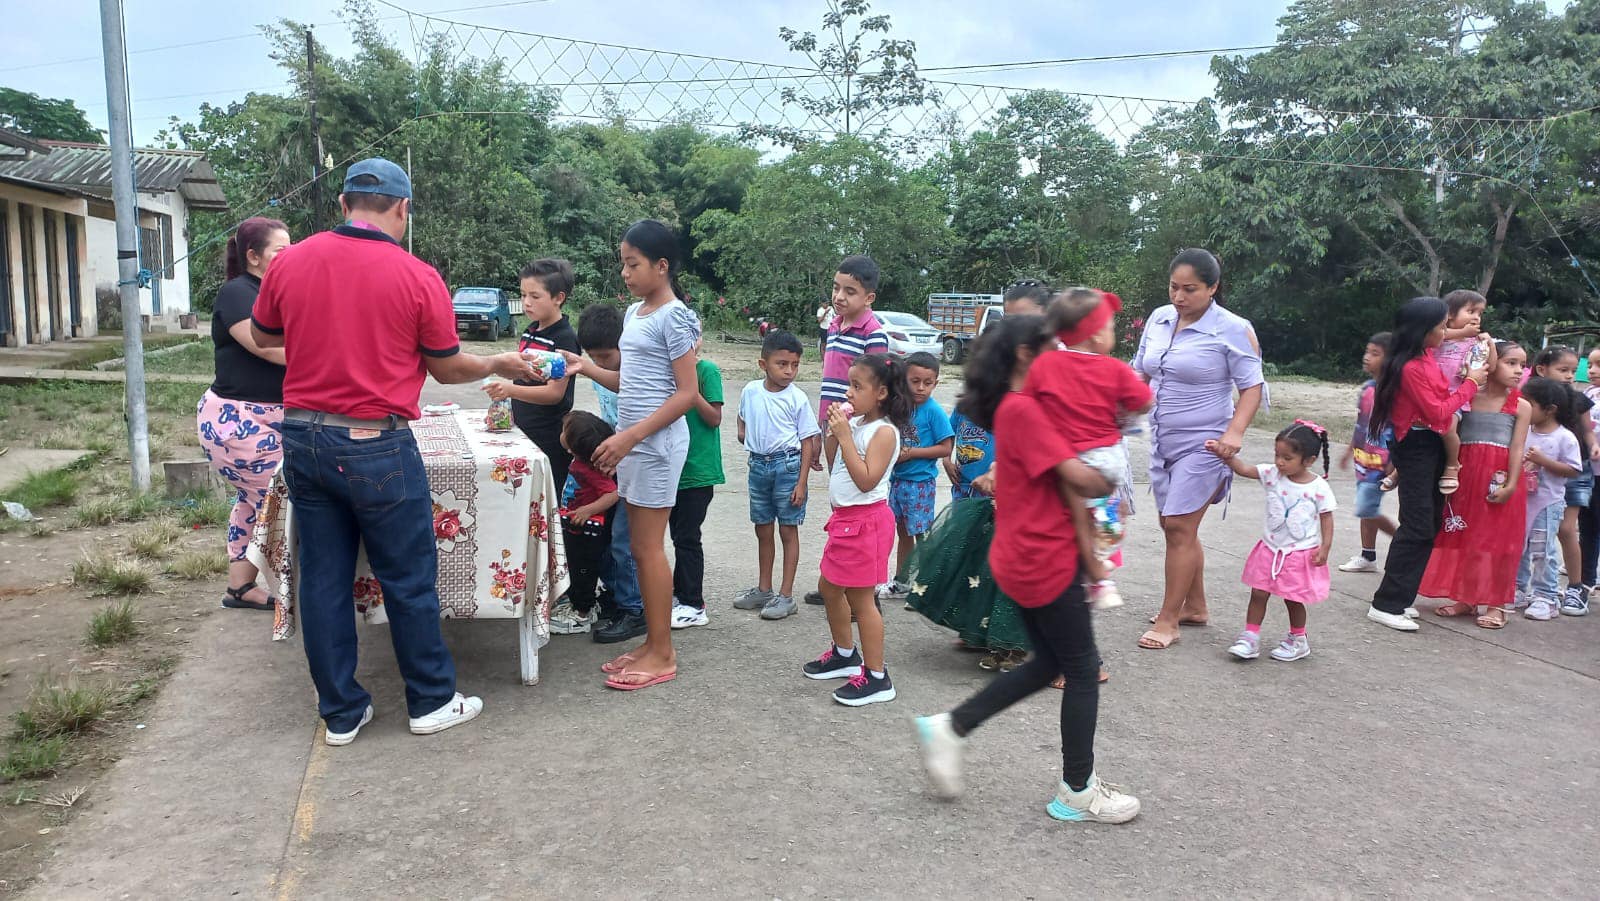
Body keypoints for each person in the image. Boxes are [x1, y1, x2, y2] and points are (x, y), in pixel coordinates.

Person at [251, 158, 538, 744]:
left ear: (342, 203)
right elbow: (446, 367)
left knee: (323, 576)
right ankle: (430, 700)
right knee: (407, 576)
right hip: (374, 442)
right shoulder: (417, 275)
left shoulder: (291, 262)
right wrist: (497, 362)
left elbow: (262, 335)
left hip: (304, 435)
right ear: (403, 208)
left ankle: (341, 713)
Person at [911, 330, 1139, 825]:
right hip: (1044, 557)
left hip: (1029, 553)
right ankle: (1077, 790)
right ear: (1024, 354)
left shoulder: (1016, 407)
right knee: (1081, 669)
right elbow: (1082, 479)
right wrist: (1109, 461)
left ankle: (952, 727)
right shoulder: (1025, 411)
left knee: (1049, 663)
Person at [567, 220, 702, 691]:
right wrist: (586, 368)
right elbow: (633, 383)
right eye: (623, 264)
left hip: (656, 446)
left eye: (633, 264)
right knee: (642, 552)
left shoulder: (674, 317)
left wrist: (630, 437)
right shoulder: (635, 312)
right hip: (637, 443)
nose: (625, 273)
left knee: (647, 549)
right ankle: (652, 643)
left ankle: (663, 653)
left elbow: (686, 394)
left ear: (661, 266)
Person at [1131, 249, 1266, 649]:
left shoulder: (1232, 328)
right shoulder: (1159, 318)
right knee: (1174, 526)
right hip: (1163, 439)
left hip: (1207, 442)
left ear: (1212, 288)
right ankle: (1195, 606)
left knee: (1178, 526)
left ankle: (1168, 621)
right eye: (1174, 287)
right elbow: (1140, 370)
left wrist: (1234, 434)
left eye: (1190, 289)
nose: (1179, 297)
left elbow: (1252, 387)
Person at [1364, 297, 1488, 632]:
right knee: (1417, 525)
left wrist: (1466, 339)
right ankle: (1386, 604)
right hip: (1416, 445)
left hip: (1431, 443)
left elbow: (1439, 401)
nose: (1445, 332)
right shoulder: (1411, 367)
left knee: (1429, 523)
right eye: (1441, 326)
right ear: (1424, 331)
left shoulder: (1425, 354)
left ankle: (1401, 598)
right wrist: (1472, 383)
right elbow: (1437, 412)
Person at [1028, 288, 1153, 611]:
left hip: (1065, 460)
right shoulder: (1115, 369)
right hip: (1106, 460)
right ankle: (1100, 566)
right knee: (1108, 511)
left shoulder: (1045, 365)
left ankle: (1092, 575)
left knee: (1075, 518)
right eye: (1111, 327)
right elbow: (1144, 401)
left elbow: (1028, 404)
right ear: (1097, 335)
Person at [802, 353, 910, 707]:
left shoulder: (884, 432)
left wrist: (846, 437)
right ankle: (845, 654)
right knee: (829, 588)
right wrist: (835, 434)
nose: (848, 392)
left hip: (866, 524)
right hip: (846, 522)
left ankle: (877, 677)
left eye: (856, 386)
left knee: (862, 601)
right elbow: (837, 463)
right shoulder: (860, 424)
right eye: (849, 384)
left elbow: (866, 480)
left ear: (881, 393)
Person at [198, 216, 290, 612]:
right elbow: (264, 346)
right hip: (239, 423)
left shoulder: (275, 293)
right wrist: (329, 357)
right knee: (283, 502)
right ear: (253, 256)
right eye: (280, 251)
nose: (290, 258)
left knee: (254, 503)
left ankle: (240, 588)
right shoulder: (238, 292)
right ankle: (303, 591)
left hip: (268, 420)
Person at [548, 303, 646, 642]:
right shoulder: (600, 374)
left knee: (625, 544)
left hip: (636, 465)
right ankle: (618, 598)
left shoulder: (636, 371)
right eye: (594, 357)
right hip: (614, 462)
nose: (600, 364)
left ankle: (634, 609)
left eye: (605, 356)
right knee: (611, 545)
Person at [1418, 342, 1529, 629]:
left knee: (1497, 542)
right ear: (1490, 362)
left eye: (1522, 364)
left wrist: (1511, 484)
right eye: (1511, 363)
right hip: (1467, 476)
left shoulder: (1521, 405)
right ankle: (1466, 598)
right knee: (1467, 537)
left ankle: (1496, 605)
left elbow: (1517, 448)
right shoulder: (1468, 398)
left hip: (1497, 478)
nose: (1519, 370)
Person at [803, 255, 889, 605]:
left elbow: (876, 387)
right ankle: (836, 579)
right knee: (839, 499)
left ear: (869, 297)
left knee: (858, 502)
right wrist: (824, 427)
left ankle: (865, 590)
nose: (839, 296)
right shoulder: (835, 325)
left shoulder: (873, 332)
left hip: (853, 428)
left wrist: (846, 424)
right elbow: (830, 384)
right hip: (833, 424)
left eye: (850, 291)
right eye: (836, 288)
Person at [1210, 423, 1336, 662]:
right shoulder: (1272, 474)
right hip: (1270, 548)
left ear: (1309, 460)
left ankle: (1298, 639)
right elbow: (1244, 469)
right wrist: (1224, 455)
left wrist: (1325, 547)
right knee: (1258, 592)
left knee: (1293, 598)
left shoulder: (1318, 487)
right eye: (1277, 455)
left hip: (1299, 553)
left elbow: (1326, 517)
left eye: (1287, 458)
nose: (1279, 462)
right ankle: (1250, 637)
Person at [733, 330, 821, 620]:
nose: (789, 371)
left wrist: (802, 482)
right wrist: (745, 435)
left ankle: (786, 595)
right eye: (782, 364)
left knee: (787, 529)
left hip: (788, 467)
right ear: (763, 364)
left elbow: (807, 441)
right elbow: (742, 418)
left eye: (795, 365)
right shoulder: (750, 391)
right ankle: (764, 589)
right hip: (758, 466)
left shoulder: (797, 398)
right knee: (762, 527)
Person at [484, 259, 580, 494]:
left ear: (559, 298)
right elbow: (521, 376)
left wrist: (510, 390)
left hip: (548, 437)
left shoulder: (564, 339)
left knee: (544, 497)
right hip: (522, 429)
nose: (526, 302)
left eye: (535, 296)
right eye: (523, 294)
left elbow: (554, 393)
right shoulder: (530, 331)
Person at [1526, 346, 1598, 616]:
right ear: (1542, 369)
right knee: (1534, 532)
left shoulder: (1578, 399)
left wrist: (1593, 445)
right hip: (1541, 474)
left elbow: (1587, 429)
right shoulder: (1532, 398)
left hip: (1575, 469)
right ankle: (1531, 587)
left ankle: (1577, 587)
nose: (1569, 375)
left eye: (1572, 370)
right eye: (1563, 370)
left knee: (1566, 530)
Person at [883, 351, 954, 599]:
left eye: (928, 383)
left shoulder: (933, 411)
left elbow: (946, 448)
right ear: (904, 379)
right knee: (903, 532)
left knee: (922, 535)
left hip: (920, 484)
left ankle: (927, 585)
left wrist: (912, 453)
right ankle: (902, 582)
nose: (921, 388)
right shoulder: (900, 406)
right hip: (898, 481)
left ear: (936, 383)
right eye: (915, 381)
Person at [1518, 377, 1585, 621]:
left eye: (1529, 403)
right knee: (1518, 547)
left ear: (1549, 410)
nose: (1522, 407)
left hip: (1547, 503)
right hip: (1521, 501)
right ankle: (1518, 588)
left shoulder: (1564, 437)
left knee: (1542, 550)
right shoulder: (1524, 431)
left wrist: (1543, 461)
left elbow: (1573, 470)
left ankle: (1546, 596)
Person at [669, 338, 724, 630]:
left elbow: (714, 418)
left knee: (688, 537)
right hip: (672, 467)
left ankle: (693, 603)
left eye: (694, 337)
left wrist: (691, 392)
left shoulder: (707, 371)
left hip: (698, 469)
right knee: (677, 535)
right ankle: (680, 595)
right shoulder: (667, 370)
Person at [1337, 333, 1399, 573]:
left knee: (1366, 508)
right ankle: (1368, 556)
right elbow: (1361, 425)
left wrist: (1395, 463)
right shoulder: (1367, 389)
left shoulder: (1395, 393)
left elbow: (1399, 429)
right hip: (1363, 460)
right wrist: (1349, 451)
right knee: (1367, 510)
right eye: (1367, 351)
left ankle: (1404, 542)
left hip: (1381, 464)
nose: (1367, 357)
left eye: (1375, 353)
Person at [557, 411, 619, 629]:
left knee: (583, 570)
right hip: (575, 526)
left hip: (587, 533)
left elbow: (613, 494)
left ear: (573, 446)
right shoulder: (578, 460)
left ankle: (583, 614)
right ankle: (576, 602)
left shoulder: (590, 469)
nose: (560, 433)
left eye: (564, 431)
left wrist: (588, 510)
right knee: (573, 566)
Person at [1432, 290, 1495, 495]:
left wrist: (1490, 344)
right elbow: (1438, 335)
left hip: (1456, 397)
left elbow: (1491, 367)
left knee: (1448, 428)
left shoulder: (1475, 343)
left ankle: (1452, 465)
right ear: (1450, 314)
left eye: (1480, 313)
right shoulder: (1437, 336)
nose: (1476, 317)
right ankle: (1398, 470)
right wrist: (1462, 333)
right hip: (1431, 395)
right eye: (1471, 311)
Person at [945, 401, 995, 503]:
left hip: (988, 483)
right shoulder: (961, 408)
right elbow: (949, 433)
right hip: (961, 481)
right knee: (961, 512)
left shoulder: (999, 409)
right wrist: (946, 460)